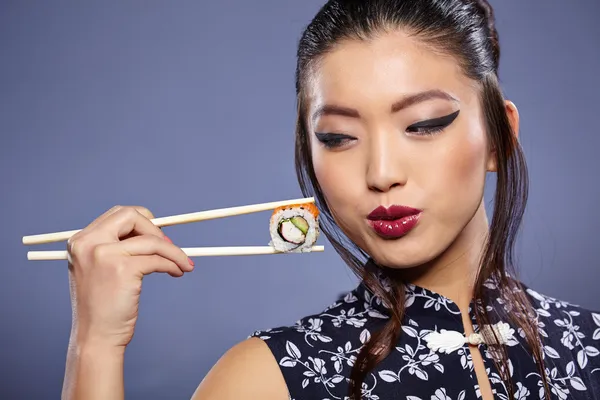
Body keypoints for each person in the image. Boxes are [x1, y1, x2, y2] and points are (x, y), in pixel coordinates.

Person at [60, 0, 600, 399]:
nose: (381, 174)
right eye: (339, 137)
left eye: (423, 124)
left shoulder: (591, 346)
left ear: (499, 137)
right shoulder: (264, 380)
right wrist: (97, 344)